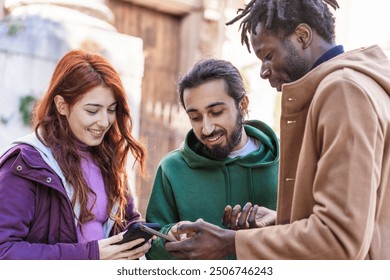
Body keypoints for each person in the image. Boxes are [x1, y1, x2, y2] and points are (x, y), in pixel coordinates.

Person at [164, 0, 390, 259]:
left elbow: (338, 240)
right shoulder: (358, 85)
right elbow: (365, 222)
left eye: (268, 56)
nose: (263, 71)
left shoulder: (343, 92)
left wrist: (231, 242)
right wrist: (280, 223)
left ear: (302, 36)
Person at [0, 49, 151, 260]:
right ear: (62, 105)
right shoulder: (25, 164)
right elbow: (4, 252)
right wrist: (91, 256)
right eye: (92, 110)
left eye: (111, 110)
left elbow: (127, 222)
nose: (104, 121)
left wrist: (157, 238)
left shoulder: (109, 158)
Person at [145, 58, 279, 259]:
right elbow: (152, 250)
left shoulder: (290, 160)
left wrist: (278, 223)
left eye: (216, 112)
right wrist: (170, 236)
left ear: (242, 105)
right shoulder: (171, 169)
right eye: (195, 117)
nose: (206, 128)